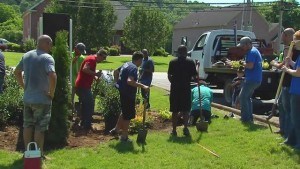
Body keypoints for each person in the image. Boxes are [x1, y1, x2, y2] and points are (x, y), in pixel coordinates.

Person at [14, 35, 57, 157]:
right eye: (51, 44)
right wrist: (51, 93)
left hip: (28, 98)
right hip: (42, 100)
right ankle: (39, 154)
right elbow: (53, 76)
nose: (51, 47)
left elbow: (17, 72)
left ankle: (28, 153)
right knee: (40, 127)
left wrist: (24, 86)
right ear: (47, 43)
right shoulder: (47, 58)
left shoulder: (27, 55)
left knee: (27, 125)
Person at [110, 51, 150, 142]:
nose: (142, 62)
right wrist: (143, 86)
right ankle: (124, 137)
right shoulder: (133, 68)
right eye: (142, 60)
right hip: (128, 94)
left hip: (123, 92)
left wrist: (116, 83)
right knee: (127, 116)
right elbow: (130, 81)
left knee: (124, 112)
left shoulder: (126, 64)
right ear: (139, 59)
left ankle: (116, 129)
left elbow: (116, 71)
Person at [270, 28, 295, 137]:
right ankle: (283, 129)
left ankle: (286, 132)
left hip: (287, 83)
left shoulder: (289, 49)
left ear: (286, 35)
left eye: (282, 35)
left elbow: (283, 65)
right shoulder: (293, 48)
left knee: (286, 108)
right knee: (282, 105)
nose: (281, 38)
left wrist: (274, 63)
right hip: (289, 83)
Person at [168, 45, 197, 136]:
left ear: (178, 52)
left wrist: (173, 82)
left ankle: (174, 130)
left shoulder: (172, 62)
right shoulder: (190, 62)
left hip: (175, 89)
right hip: (185, 88)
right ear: (186, 52)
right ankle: (185, 128)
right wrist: (197, 66)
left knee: (175, 110)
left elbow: (169, 75)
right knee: (186, 110)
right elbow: (195, 76)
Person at [75, 49, 107, 131]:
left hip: (82, 85)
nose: (103, 60)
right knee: (90, 104)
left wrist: (95, 77)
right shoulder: (92, 60)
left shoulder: (91, 58)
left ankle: (82, 122)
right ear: (99, 55)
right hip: (83, 86)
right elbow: (85, 69)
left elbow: (88, 71)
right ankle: (87, 125)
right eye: (103, 58)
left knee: (85, 105)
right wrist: (95, 74)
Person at [281, 30, 300, 151]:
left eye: (295, 39)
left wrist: (286, 70)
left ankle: (298, 144)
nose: (293, 42)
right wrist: (290, 62)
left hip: (298, 92)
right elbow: (297, 67)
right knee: (295, 118)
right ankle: (292, 140)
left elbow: (298, 73)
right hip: (295, 90)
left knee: (296, 119)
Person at [238, 37, 262, 122]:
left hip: (252, 80)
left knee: (243, 97)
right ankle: (249, 118)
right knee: (247, 98)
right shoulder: (254, 51)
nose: (242, 48)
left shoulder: (251, 52)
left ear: (248, 44)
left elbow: (250, 66)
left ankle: (246, 119)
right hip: (255, 79)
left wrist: (242, 63)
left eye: (243, 46)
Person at [71, 43, 86, 111]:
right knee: (71, 96)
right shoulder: (70, 55)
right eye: (79, 50)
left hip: (79, 80)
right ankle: (72, 109)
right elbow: (68, 65)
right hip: (72, 79)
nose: (80, 53)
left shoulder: (82, 58)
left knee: (82, 96)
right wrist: (73, 60)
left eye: (81, 51)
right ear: (75, 49)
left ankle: (80, 110)